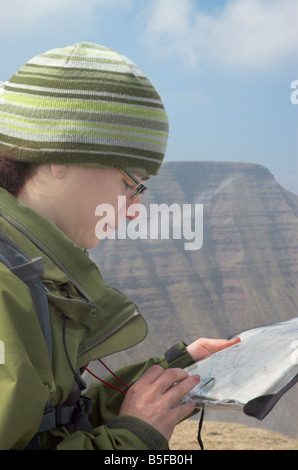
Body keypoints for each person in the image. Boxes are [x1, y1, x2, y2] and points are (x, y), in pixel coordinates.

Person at [0, 42, 239, 450]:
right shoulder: (7, 287)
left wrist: (172, 372)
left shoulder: (31, 270)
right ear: (61, 154)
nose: (134, 211)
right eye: (130, 183)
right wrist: (133, 441)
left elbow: (42, 424)